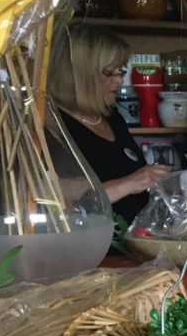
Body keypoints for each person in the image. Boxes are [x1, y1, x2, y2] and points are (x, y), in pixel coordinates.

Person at [50, 24, 169, 225]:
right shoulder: (52, 126)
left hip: (135, 244)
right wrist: (130, 183)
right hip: (93, 251)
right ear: (78, 74)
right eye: (109, 72)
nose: (120, 80)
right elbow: (55, 201)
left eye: (120, 71)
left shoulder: (112, 118)